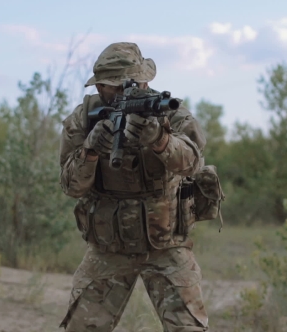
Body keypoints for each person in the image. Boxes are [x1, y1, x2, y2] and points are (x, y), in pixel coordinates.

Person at [58, 42, 210, 331]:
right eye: (112, 87)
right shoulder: (83, 120)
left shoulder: (170, 114)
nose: (122, 93)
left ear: (146, 81)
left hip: (166, 245)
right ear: (99, 86)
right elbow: (71, 187)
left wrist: (160, 141)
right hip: (108, 247)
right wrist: (89, 151)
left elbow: (193, 164)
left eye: (132, 84)